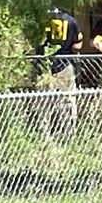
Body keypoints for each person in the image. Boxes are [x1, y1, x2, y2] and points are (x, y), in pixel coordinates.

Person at [36, 7, 83, 141]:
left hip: (44, 65)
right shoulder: (71, 21)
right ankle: (69, 133)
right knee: (68, 100)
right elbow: (78, 45)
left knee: (44, 102)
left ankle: (44, 134)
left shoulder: (42, 20)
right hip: (64, 64)